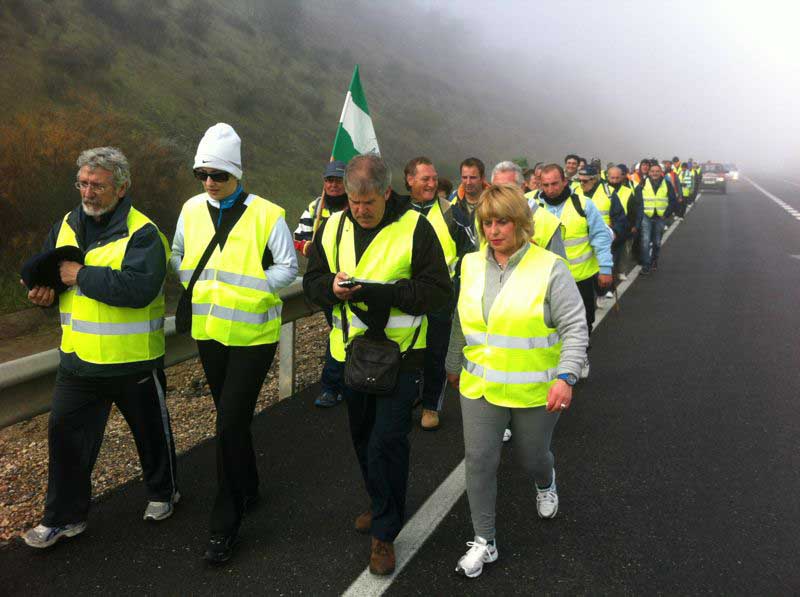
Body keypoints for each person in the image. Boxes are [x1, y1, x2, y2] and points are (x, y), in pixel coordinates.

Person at [21, 147, 178, 549]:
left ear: (122, 188)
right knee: (64, 438)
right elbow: (53, 280)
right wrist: (43, 297)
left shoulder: (144, 233)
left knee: (151, 436)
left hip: (133, 362)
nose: (88, 193)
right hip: (77, 362)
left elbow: (139, 289)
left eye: (98, 185)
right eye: (83, 183)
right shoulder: (64, 226)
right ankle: (63, 518)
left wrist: (81, 275)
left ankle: (163, 493)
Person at [303, 154, 451, 575]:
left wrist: (384, 293)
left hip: (402, 357)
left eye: (369, 201)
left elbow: (438, 292)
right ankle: (380, 500)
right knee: (363, 437)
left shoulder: (416, 229)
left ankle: (384, 533)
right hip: (349, 355)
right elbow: (312, 284)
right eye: (353, 201)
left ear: (387, 193)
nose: (361, 210)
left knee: (388, 441)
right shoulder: (330, 228)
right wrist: (330, 288)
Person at [444, 184, 588, 579]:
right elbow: (462, 318)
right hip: (480, 387)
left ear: (522, 223)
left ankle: (546, 481)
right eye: (487, 222)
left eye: (502, 221)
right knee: (479, 461)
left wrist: (566, 376)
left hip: (533, 389)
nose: (494, 230)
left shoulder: (549, 267)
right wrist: (453, 362)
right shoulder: (470, 265)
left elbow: (575, 327)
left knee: (531, 456)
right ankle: (484, 541)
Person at [171, 123, 298, 564]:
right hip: (209, 333)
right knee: (231, 419)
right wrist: (197, 283)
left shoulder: (267, 214)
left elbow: (288, 266)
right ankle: (249, 487)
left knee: (227, 423)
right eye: (203, 174)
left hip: (253, 335)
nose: (210, 182)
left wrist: (256, 287)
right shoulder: (190, 210)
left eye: (218, 175)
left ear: (237, 175)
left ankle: (224, 524)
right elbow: (177, 254)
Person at [403, 157, 473, 431]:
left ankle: (431, 406)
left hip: (440, 298)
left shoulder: (452, 213)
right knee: (406, 351)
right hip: (405, 296)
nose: (432, 183)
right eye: (425, 179)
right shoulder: (395, 211)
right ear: (409, 180)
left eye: (434, 178)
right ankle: (405, 400)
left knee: (436, 353)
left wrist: (461, 288)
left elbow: (471, 252)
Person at [537, 164, 613, 378]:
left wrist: (605, 268)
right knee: (548, 323)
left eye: (554, 184)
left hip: (580, 277)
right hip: (543, 279)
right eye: (545, 185)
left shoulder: (583, 205)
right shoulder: (531, 204)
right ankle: (553, 360)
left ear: (564, 181)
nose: (550, 189)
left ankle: (580, 357)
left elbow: (600, 237)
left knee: (582, 321)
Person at [294, 160, 349, 408]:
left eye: (338, 180)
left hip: (350, 277)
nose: (333, 185)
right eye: (329, 180)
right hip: (325, 281)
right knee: (338, 330)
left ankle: (341, 384)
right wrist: (309, 248)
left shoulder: (355, 204)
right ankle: (332, 386)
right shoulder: (316, 207)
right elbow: (299, 236)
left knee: (344, 331)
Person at [490, 161, 566, 259]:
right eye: (496, 189)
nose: (502, 194)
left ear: (521, 188)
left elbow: (559, 270)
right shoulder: (482, 218)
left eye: (508, 189)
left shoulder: (548, 223)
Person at [574, 165, 628, 298]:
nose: (581, 183)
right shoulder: (574, 191)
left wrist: (614, 232)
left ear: (595, 179)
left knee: (603, 271)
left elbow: (620, 219)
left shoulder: (608, 193)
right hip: (581, 241)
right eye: (579, 180)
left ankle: (603, 292)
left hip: (603, 240)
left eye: (585, 181)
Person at [634, 162, 678, 275]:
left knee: (657, 242)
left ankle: (654, 260)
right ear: (649, 172)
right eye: (652, 171)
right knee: (645, 241)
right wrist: (640, 215)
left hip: (660, 217)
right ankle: (646, 265)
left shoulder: (667, 184)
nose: (655, 173)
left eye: (657, 171)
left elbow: (673, 200)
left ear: (661, 172)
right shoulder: (642, 184)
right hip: (646, 216)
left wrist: (667, 213)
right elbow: (638, 201)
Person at [606, 165, 639, 280]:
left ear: (622, 178)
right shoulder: (604, 192)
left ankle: (621, 271)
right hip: (609, 227)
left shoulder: (628, 191)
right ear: (607, 177)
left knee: (623, 252)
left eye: (617, 178)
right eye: (612, 178)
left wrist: (633, 225)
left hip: (624, 227)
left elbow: (633, 210)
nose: (614, 181)